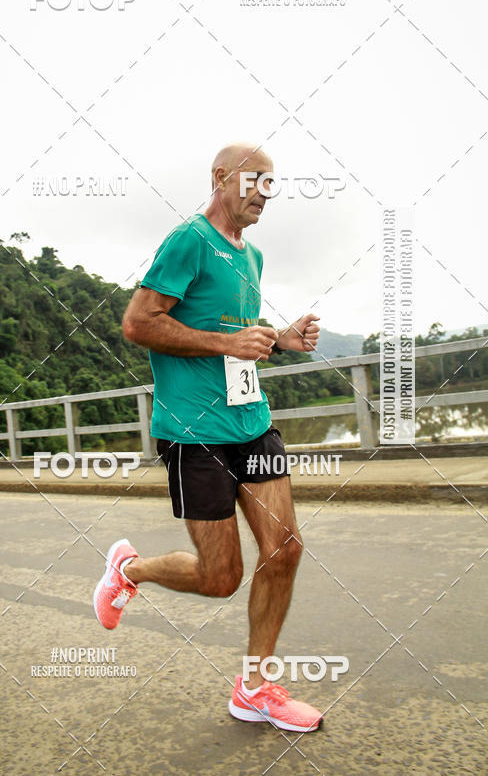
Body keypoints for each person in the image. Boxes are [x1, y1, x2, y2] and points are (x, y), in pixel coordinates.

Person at [93, 143, 323, 731]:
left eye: (270, 185)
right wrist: (228, 343)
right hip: (193, 433)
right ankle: (131, 570)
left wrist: (278, 338)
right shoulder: (189, 240)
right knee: (221, 577)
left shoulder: (254, 258)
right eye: (252, 181)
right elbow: (138, 323)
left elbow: (235, 335)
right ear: (220, 179)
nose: (261, 194)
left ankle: (255, 687)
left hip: (250, 423)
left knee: (285, 548)